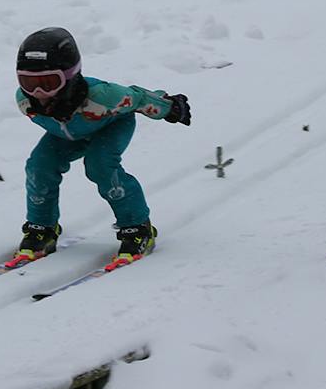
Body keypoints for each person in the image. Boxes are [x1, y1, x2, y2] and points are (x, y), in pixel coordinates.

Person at [11, 27, 191, 270]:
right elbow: (49, 113)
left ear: (70, 75)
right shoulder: (24, 101)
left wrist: (168, 106)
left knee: (100, 166)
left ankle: (137, 228)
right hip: (67, 131)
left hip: (110, 125)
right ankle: (41, 227)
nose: (38, 93)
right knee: (39, 166)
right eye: (28, 82)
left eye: (48, 82)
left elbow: (137, 97)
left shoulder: (103, 97)